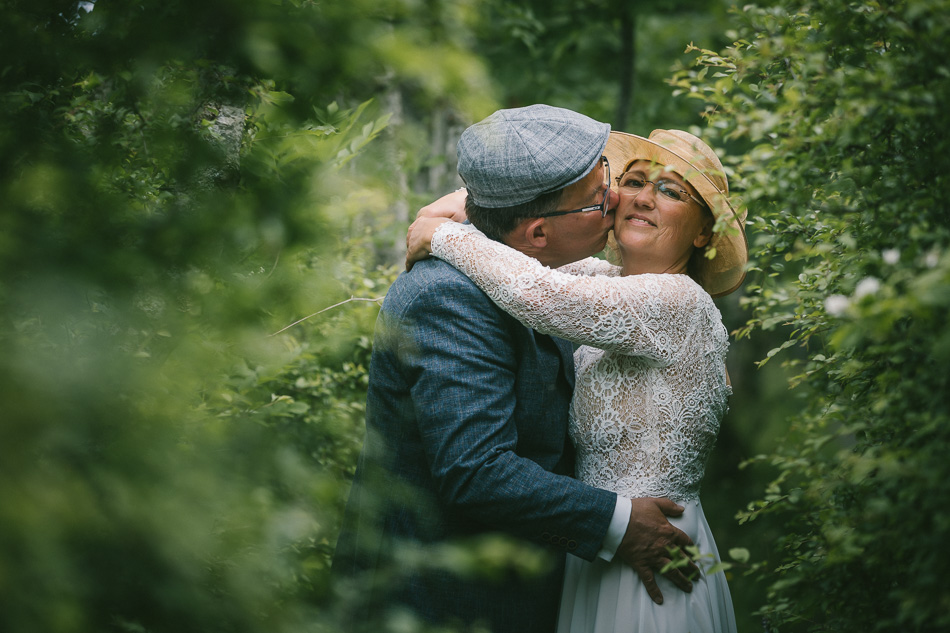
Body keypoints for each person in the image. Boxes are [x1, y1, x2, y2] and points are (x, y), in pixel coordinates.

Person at [332, 106, 698, 633]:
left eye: (607, 174)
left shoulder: (537, 272)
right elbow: (476, 470)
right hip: (441, 607)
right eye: (599, 199)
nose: (617, 198)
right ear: (538, 233)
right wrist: (618, 524)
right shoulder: (446, 299)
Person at [405, 128, 748, 633]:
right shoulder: (606, 282)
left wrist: (441, 235)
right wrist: (449, 213)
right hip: (598, 543)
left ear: (702, 233)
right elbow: (517, 244)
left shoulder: (681, 302)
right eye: (635, 181)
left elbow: (537, 292)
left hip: (653, 548)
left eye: (671, 191)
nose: (645, 197)